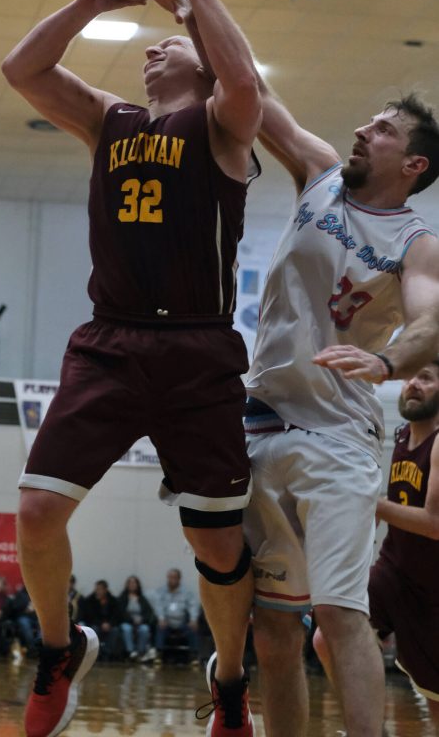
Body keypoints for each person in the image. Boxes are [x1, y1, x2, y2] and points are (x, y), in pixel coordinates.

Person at [2, 0, 262, 737]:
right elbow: (22, 67)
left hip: (197, 349)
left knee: (217, 549)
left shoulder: (223, 126)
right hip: (109, 342)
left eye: (170, 45)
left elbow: (246, 82)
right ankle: (58, 649)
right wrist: (87, 1)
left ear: (202, 63)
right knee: (37, 514)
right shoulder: (109, 120)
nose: (152, 50)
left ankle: (229, 682)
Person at [241, 77, 439, 737]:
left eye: (383, 130)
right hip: (263, 416)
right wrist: (189, 4)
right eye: (369, 121)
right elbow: (250, 89)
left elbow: (430, 323)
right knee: (271, 627)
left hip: (338, 432)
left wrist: (385, 363)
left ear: (415, 166)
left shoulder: (414, 243)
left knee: (338, 613)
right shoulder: (320, 169)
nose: (364, 131)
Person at [315, 361, 439, 733]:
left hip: (432, 593)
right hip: (394, 571)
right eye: (410, 377)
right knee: (327, 634)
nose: (413, 384)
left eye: (427, 378)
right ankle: (367, 723)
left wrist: (374, 505)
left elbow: (434, 524)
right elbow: (396, 503)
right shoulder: (401, 436)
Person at [151, 567, 198, 664]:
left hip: (182, 622)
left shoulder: (187, 592)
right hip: (167, 622)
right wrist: (161, 618)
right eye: (170, 577)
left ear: (179, 579)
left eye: (174, 577)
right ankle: (159, 653)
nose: (172, 580)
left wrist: (193, 619)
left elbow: (192, 606)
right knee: (160, 627)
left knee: (193, 628)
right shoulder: (161, 591)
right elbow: (158, 606)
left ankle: (193, 655)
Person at [78, 580, 122, 661]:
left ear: (105, 590)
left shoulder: (113, 601)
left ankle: (107, 653)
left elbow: (117, 615)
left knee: (115, 630)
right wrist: (101, 624)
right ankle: (96, 653)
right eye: (96, 589)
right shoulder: (90, 600)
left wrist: (110, 624)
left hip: (109, 625)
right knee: (94, 630)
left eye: (100, 589)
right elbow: (89, 616)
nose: (97, 591)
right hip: (95, 624)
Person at [117, 575, 156, 662]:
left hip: (140, 622)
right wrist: (132, 620)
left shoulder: (142, 599)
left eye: (134, 583)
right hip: (127, 622)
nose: (132, 585)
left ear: (137, 585)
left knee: (144, 629)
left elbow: (148, 613)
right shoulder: (122, 598)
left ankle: (140, 652)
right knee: (126, 628)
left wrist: (141, 620)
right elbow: (120, 612)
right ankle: (131, 652)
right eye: (130, 583)